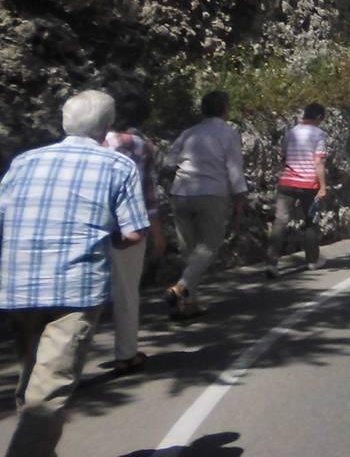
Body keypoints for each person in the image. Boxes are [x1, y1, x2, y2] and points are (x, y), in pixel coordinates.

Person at [0, 90, 147, 457]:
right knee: (48, 393)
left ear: (64, 121)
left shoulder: (24, 161)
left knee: (33, 379)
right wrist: (108, 235)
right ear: (107, 126)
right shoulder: (117, 165)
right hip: (74, 289)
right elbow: (133, 232)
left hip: (18, 286)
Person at [164, 89, 245, 320]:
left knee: (188, 251)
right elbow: (234, 166)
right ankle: (180, 288)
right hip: (211, 193)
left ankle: (188, 304)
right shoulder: (228, 133)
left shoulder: (189, 133)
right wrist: (240, 195)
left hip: (181, 192)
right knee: (209, 245)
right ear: (224, 110)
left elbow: (169, 161)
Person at [103, 91, 164, 375]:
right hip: (127, 230)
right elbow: (147, 195)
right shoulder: (144, 147)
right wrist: (158, 235)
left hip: (91, 226)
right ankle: (126, 354)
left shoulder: (98, 142)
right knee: (126, 292)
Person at [266, 103, 329, 278]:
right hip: (309, 185)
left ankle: (271, 263)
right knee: (310, 222)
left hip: (287, 182)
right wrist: (323, 187)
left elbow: (284, 156)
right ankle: (312, 260)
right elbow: (318, 162)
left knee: (280, 221)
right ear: (318, 118)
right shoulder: (319, 134)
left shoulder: (291, 132)